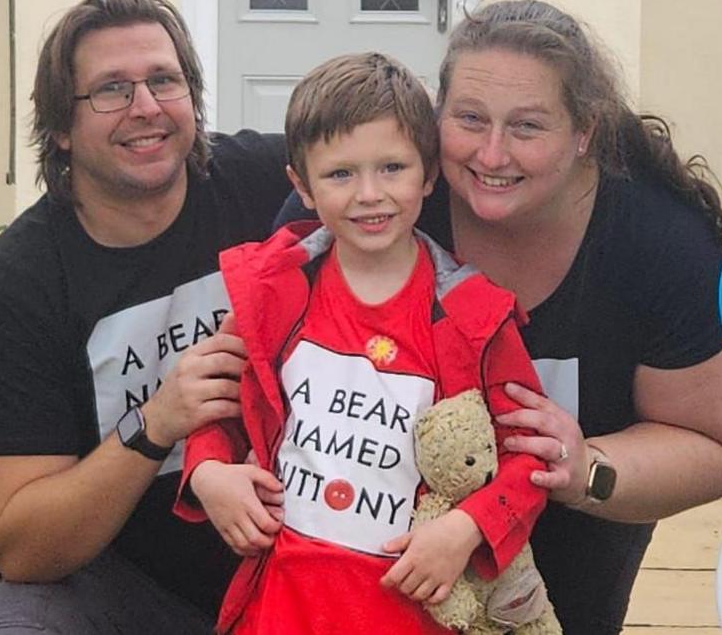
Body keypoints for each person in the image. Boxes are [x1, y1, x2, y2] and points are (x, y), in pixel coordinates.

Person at [276, 0, 722, 634]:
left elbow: (716, 442)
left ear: (584, 130)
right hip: (352, 583)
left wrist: (585, 467)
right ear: (436, 113)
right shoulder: (375, 198)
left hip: (566, 570)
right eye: (470, 119)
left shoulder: (655, 241)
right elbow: (261, 355)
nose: (492, 154)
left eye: (527, 127)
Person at [0, 0, 294, 634]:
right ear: (60, 129)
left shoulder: (273, 184)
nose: (147, 107)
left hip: (299, 561)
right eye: (111, 90)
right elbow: (23, 543)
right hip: (126, 587)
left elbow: (413, 161)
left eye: (164, 79)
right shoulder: (23, 281)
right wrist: (154, 423)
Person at [174, 52, 552, 635]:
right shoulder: (273, 290)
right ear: (301, 185)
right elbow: (216, 405)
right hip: (280, 605)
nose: (369, 194)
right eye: (340, 174)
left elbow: (530, 456)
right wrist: (207, 474)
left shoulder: (474, 317)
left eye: (393, 168)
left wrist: (467, 529)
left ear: (429, 175)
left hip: (408, 611)